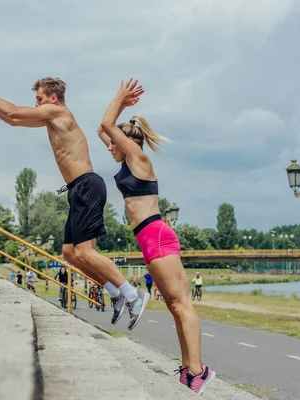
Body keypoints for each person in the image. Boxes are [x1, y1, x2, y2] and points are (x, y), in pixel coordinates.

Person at [0, 76, 148, 330]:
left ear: (52, 98)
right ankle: (115, 292)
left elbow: (13, 110)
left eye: (39, 98)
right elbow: (11, 119)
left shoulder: (58, 111)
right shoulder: (49, 117)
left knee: (84, 252)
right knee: (70, 252)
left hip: (87, 186)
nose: (37, 103)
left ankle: (133, 295)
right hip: (78, 190)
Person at [97, 78, 215, 394]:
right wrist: (121, 109)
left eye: (113, 144)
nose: (109, 148)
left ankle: (198, 370)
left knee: (181, 303)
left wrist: (119, 98)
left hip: (157, 235)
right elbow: (103, 129)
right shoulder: (126, 161)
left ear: (125, 143)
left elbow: (107, 125)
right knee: (174, 306)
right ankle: (190, 369)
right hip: (149, 239)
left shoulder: (138, 158)